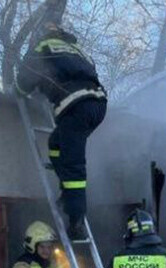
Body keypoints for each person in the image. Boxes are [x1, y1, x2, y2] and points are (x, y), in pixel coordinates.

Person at [16, 21, 108, 241]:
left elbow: (26, 78)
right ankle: (67, 194)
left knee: (74, 167)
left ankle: (76, 222)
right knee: (56, 144)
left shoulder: (42, 48)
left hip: (75, 107)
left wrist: (19, 90)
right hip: (98, 105)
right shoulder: (76, 50)